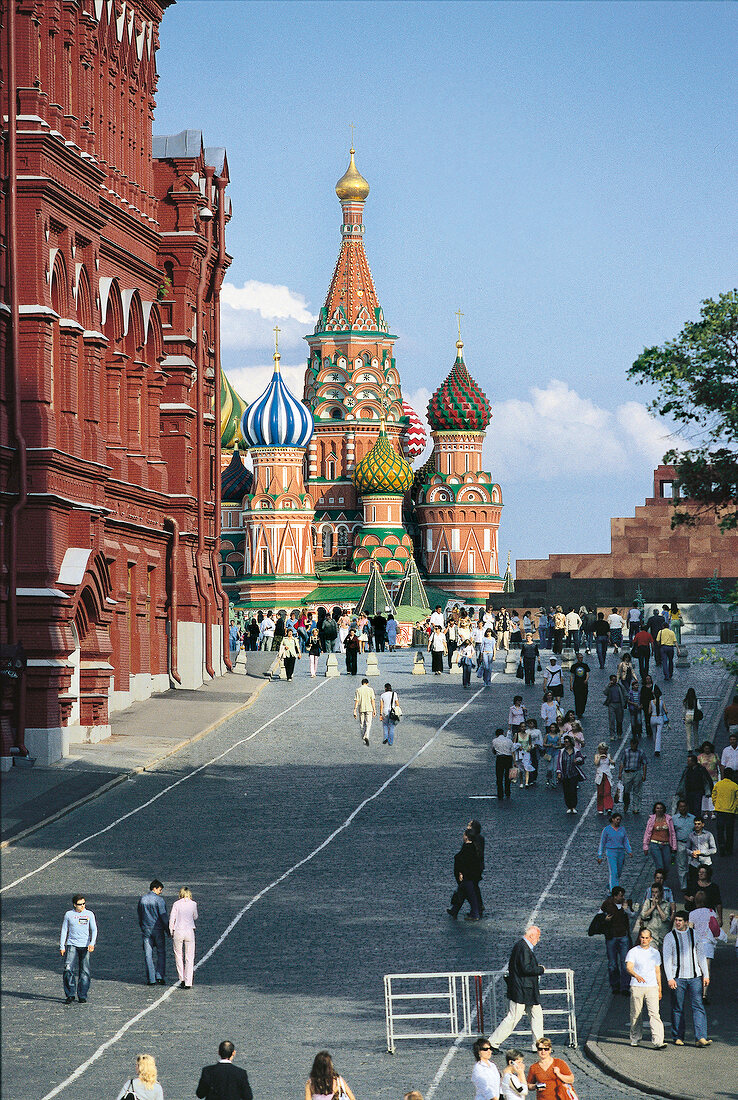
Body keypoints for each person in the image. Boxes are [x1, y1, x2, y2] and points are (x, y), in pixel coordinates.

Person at [488, 927, 545, 1050]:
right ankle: (492, 1042)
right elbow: (526, 969)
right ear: (531, 936)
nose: (538, 940)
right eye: (537, 937)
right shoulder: (523, 948)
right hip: (522, 990)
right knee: (513, 1017)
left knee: (537, 1015)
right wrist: (540, 969)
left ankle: (539, 1045)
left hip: (526, 990)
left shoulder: (521, 946)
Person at [662, 911, 711, 1047]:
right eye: (676, 920)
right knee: (678, 1008)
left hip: (695, 977)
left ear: (686, 922)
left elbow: (701, 956)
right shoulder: (670, 937)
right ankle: (677, 1036)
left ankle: (700, 1037)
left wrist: (705, 974)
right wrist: (670, 978)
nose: (677, 923)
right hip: (678, 978)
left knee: (698, 1006)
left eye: (680, 920)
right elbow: (667, 959)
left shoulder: (694, 935)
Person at [625, 927, 665, 1048]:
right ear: (639, 938)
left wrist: (660, 988)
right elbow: (629, 967)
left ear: (650, 939)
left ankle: (658, 1040)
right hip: (637, 986)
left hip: (652, 986)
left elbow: (658, 971)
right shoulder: (633, 951)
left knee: (654, 1014)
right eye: (642, 937)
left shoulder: (655, 953)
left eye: (647, 938)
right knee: (636, 1013)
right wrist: (636, 975)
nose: (644, 940)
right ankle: (635, 1037)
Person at [60, 893, 97, 1004]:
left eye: (84, 904)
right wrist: (62, 945)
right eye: (80, 904)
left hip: (85, 945)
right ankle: (70, 994)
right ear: (74, 905)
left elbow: (94, 929)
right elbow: (64, 930)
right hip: (72, 944)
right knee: (68, 969)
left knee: (85, 971)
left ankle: (82, 994)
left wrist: (92, 943)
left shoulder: (89, 914)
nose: (82, 906)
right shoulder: (68, 915)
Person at [447, 827, 483, 921]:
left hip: (468, 876)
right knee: (462, 893)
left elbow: (462, 861)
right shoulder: (475, 848)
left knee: (471, 896)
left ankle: (475, 914)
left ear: (467, 837)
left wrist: (461, 873)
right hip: (472, 875)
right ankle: (454, 910)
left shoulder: (467, 849)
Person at [138, 879, 168, 986]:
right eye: (160, 890)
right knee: (161, 952)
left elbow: (140, 915)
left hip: (146, 929)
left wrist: (142, 926)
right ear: (155, 888)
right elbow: (163, 917)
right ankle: (159, 976)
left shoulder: (142, 899)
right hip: (158, 929)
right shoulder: (159, 901)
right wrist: (168, 930)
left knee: (148, 954)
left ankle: (151, 979)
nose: (161, 892)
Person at [169, 886, 198, 989]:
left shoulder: (176, 904)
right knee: (189, 957)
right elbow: (195, 916)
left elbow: (172, 918)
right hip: (189, 930)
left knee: (178, 955)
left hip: (178, 930)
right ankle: (188, 981)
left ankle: (181, 978)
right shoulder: (193, 904)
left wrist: (171, 930)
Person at [597, 812, 632, 889]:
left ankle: (611, 885)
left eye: (620, 820)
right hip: (611, 852)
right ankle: (614, 890)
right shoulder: (606, 830)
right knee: (614, 872)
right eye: (617, 819)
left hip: (621, 852)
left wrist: (629, 850)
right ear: (613, 819)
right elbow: (602, 842)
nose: (618, 821)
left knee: (618, 872)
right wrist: (600, 855)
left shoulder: (622, 829)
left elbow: (625, 841)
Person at [643, 801, 677, 875]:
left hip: (666, 845)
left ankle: (663, 880)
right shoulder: (651, 820)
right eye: (657, 808)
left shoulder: (668, 819)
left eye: (661, 808)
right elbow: (647, 833)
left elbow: (672, 833)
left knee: (667, 866)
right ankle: (660, 883)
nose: (659, 810)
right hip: (655, 844)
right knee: (660, 866)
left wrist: (674, 847)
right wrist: (645, 846)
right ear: (655, 809)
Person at [676, 754, 714, 819]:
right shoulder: (687, 770)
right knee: (690, 808)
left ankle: (697, 821)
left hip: (698, 791)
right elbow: (683, 780)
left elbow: (707, 780)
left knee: (697, 808)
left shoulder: (701, 769)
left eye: (689, 761)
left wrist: (709, 791)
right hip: (689, 792)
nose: (687, 763)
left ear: (693, 762)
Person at [635, 884, 673, 949]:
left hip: (663, 935)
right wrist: (652, 907)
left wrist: (657, 906)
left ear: (661, 892)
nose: (654, 894)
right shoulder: (648, 902)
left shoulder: (666, 904)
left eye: (656, 892)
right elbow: (643, 915)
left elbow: (665, 918)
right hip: (652, 934)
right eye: (652, 892)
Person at [712, 767, 738, 855]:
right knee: (730, 831)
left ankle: (721, 845)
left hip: (720, 810)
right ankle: (729, 848)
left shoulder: (718, 784)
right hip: (730, 811)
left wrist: (716, 804)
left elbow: (714, 795)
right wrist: (735, 808)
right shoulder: (735, 786)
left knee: (720, 830)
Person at [619, 736, 647, 815]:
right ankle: (626, 804)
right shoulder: (626, 752)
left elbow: (644, 764)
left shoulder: (641, 752)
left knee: (637, 791)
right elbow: (622, 762)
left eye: (635, 744)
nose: (633, 746)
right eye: (632, 744)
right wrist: (620, 773)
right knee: (626, 791)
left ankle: (636, 808)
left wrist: (644, 775)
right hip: (627, 773)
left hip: (637, 772)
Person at [672, 799, 696, 891]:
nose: (683, 808)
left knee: (692, 863)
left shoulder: (693, 818)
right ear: (678, 808)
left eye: (684, 806)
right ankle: (683, 885)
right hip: (680, 843)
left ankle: (692, 882)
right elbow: (672, 833)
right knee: (682, 865)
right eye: (681, 806)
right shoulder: (674, 819)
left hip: (691, 844)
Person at [556, 735, 584, 814]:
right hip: (565, 774)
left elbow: (581, 759)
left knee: (573, 790)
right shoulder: (561, 752)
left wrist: (578, 760)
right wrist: (559, 772)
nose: (565, 743)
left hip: (573, 774)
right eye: (564, 742)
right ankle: (569, 806)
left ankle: (573, 806)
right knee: (566, 791)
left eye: (567, 742)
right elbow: (559, 762)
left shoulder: (576, 751)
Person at [492, 727, 516, 801]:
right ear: (503, 733)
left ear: (496, 734)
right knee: (508, 776)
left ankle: (500, 793)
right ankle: (508, 792)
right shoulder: (509, 741)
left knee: (499, 776)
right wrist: (514, 762)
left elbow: (494, 751)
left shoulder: (495, 740)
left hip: (500, 758)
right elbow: (512, 751)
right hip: (508, 759)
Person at [353, 677, 376, 745]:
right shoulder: (370, 689)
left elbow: (357, 700)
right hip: (369, 708)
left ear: (362, 683)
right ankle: (366, 736)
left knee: (362, 723)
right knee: (368, 723)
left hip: (361, 708)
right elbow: (372, 700)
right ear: (367, 683)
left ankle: (363, 736)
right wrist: (374, 709)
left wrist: (354, 710)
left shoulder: (358, 690)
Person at [603, 675, 626, 741]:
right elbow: (605, 692)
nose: (614, 681)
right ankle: (612, 735)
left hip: (619, 704)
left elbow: (625, 694)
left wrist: (625, 701)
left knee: (619, 720)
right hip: (611, 704)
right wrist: (608, 686)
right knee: (612, 720)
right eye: (613, 679)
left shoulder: (620, 686)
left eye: (615, 679)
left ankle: (619, 733)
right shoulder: (609, 686)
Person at [594, 742, 615, 814]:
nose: (602, 751)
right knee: (600, 793)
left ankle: (608, 807)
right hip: (600, 775)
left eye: (603, 750)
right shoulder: (597, 756)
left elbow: (613, 763)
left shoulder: (608, 756)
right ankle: (600, 808)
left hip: (607, 775)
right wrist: (600, 757)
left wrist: (609, 759)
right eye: (600, 749)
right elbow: (596, 763)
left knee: (607, 791)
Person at [649, 685, 668, 755]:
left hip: (653, 718)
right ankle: (657, 749)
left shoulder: (651, 702)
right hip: (660, 718)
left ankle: (655, 746)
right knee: (658, 734)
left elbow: (649, 711)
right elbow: (666, 711)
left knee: (654, 733)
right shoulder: (662, 702)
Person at [569, 652, 590, 717]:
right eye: (580, 657)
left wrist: (586, 680)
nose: (581, 659)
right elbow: (572, 676)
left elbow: (587, 673)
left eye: (582, 657)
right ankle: (578, 712)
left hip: (584, 685)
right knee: (577, 698)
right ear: (577, 658)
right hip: (577, 684)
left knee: (584, 698)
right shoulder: (574, 666)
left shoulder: (585, 665)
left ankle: (582, 710)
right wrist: (571, 685)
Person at [379, 682, 400, 746]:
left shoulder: (382, 695)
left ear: (385, 688)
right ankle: (390, 742)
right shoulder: (394, 694)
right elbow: (397, 704)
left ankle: (385, 738)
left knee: (385, 725)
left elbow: (381, 706)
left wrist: (380, 714)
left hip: (385, 711)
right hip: (392, 711)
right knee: (391, 727)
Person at [682, 688, 702, 752]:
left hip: (687, 716)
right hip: (694, 717)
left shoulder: (685, 701)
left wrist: (683, 718)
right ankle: (696, 746)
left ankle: (689, 748)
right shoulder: (696, 700)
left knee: (688, 733)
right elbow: (699, 707)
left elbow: (683, 711)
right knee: (695, 732)